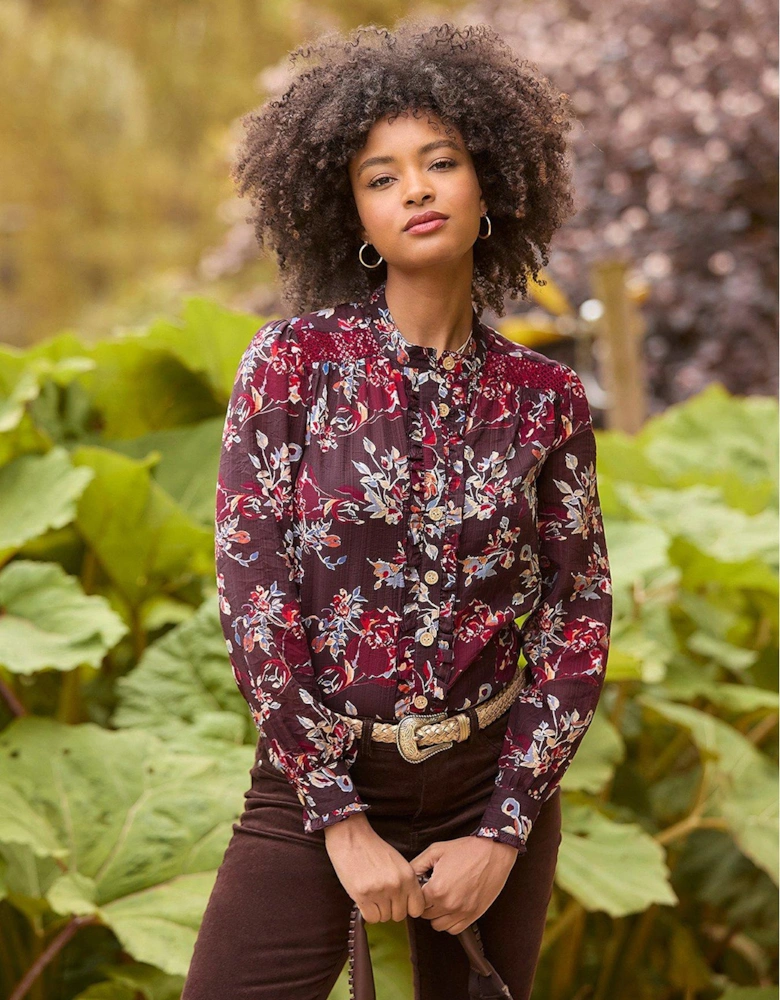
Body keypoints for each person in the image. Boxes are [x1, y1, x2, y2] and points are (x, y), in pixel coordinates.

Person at [182, 17, 613, 1000]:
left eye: (440, 162)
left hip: (490, 781)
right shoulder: (290, 366)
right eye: (381, 176)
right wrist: (336, 814)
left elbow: (578, 607)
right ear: (352, 215)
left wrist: (504, 829)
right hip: (314, 783)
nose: (415, 188)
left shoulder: (545, 397)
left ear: (489, 184)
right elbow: (254, 598)